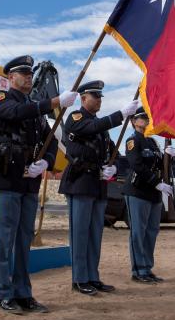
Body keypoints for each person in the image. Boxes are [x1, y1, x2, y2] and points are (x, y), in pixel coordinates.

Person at [0, 55, 76, 314]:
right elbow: (14, 114)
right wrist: (55, 102)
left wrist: (46, 162)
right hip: (7, 175)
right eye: (22, 73)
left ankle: (23, 293)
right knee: (4, 239)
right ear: (10, 78)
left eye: (29, 73)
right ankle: (3, 294)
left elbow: (49, 140)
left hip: (29, 180)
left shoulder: (36, 108)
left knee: (24, 239)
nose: (28, 76)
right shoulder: (1, 99)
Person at [59, 81, 139, 295]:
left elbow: (115, 154)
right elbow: (92, 127)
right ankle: (79, 278)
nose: (99, 100)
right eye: (95, 96)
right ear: (83, 98)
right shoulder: (76, 118)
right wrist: (121, 114)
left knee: (95, 233)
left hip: (97, 184)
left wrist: (112, 167)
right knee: (80, 233)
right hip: (80, 183)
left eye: (101, 96)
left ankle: (92, 276)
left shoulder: (102, 129)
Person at [123, 108, 175, 283]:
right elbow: (137, 165)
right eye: (141, 117)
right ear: (133, 121)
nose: (145, 120)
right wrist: (156, 182)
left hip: (154, 193)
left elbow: (161, 165)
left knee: (152, 231)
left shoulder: (152, 142)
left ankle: (147, 267)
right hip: (138, 191)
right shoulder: (133, 141)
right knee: (138, 232)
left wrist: (169, 156)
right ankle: (138, 270)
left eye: (147, 117)